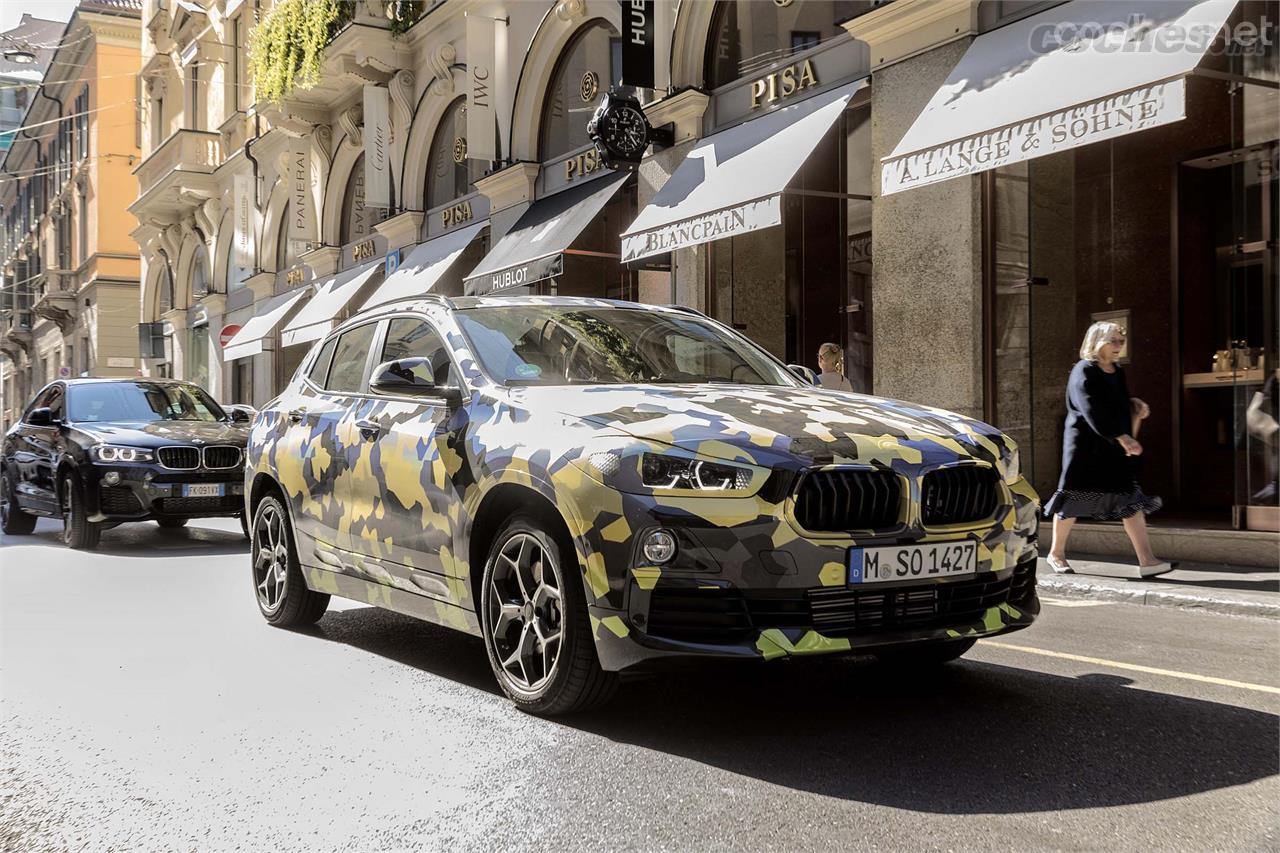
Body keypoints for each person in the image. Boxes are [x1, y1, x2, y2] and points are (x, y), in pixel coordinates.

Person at [1044, 321, 1170, 575]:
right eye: (1113, 341)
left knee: (1130, 502)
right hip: (1086, 448)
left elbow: (1116, 402)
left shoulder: (1116, 371)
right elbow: (1092, 411)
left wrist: (1134, 404)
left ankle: (1147, 561)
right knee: (1072, 501)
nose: (1118, 346)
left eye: (1120, 341)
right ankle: (1056, 554)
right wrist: (1123, 438)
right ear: (1097, 342)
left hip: (1112, 446)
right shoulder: (1084, 371)